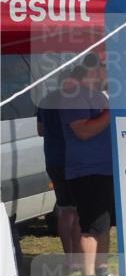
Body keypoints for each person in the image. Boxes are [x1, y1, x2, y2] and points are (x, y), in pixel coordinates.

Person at [59, 56, 119, 276]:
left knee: (103, 226)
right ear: (95, 69)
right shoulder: (74, 95)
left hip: (103, 170)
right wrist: (111, 111)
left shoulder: (97, 95)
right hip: (86, 171)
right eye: (107, 68)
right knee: (91, 228)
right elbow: (83, 131)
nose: (110, 74)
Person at [36, 76, 80, 261]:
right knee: (79, 211)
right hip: (75, 161)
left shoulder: (45, 100)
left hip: (54, 160)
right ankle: (79, 257)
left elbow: (40, 131)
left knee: (64, 209)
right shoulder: (76, 101)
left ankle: (69, 257)